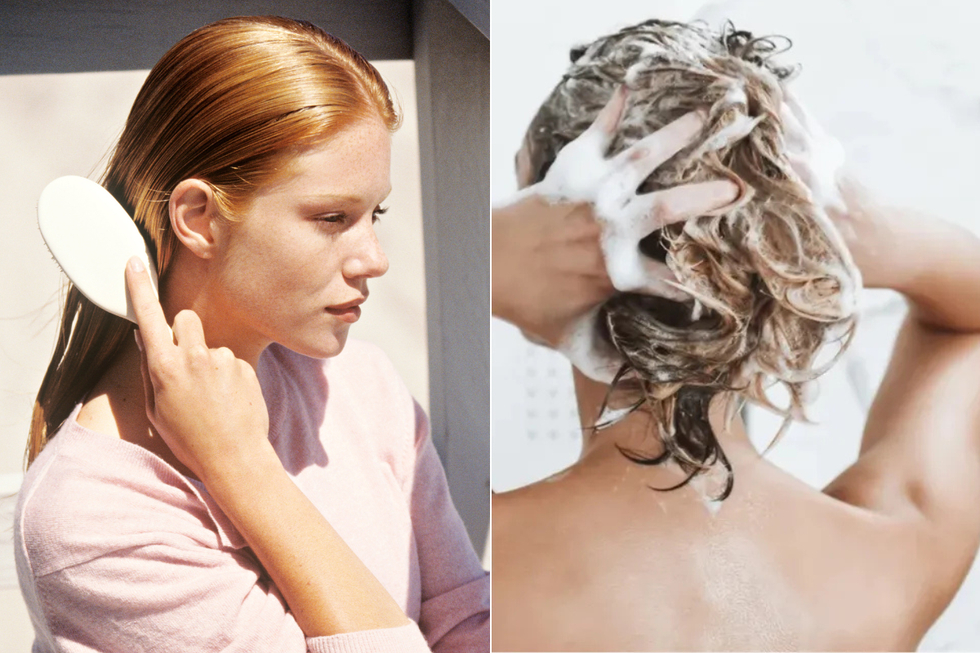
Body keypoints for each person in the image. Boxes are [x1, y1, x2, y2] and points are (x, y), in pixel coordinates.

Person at [491, 19, 980, 651]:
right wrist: (859, 235)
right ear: (782, 271)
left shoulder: (482, 567)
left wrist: (490, 253)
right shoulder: (892, 557)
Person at [15, 16, 488, 652]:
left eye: (373, 214)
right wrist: (240, 465)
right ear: (200, 218)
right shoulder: (94, 518)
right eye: (331, 218)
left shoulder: (360, 387)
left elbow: (466, 624)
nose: (374, 257)